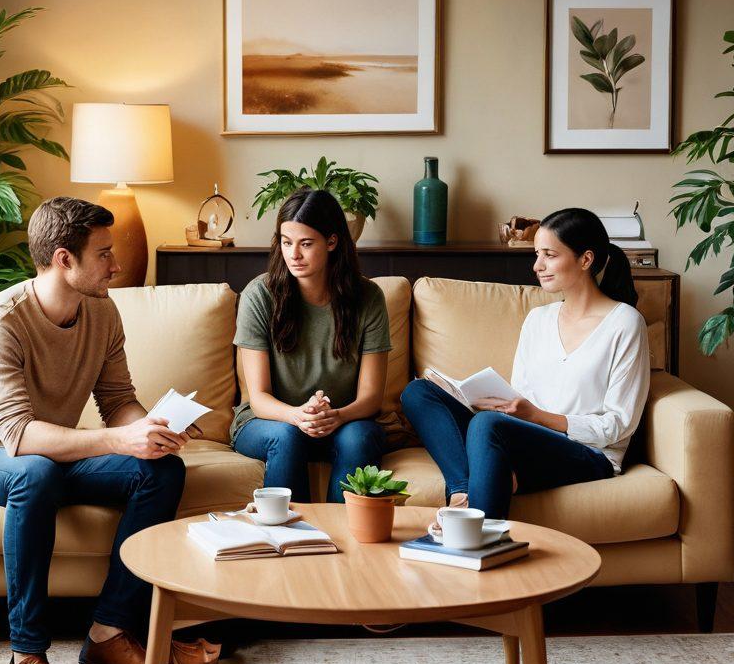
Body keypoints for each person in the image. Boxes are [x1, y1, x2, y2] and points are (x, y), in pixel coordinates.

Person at [0, 196, 219, 664]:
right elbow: (19, 435)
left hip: (55, 457)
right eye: (103, 254)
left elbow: (117, 401)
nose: (116, 265)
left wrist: (152, 429)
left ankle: (108, 634)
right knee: (35, 470)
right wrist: (120, 441)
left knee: (160, 468)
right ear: (63, 259)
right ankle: (26, 654)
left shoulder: (101, 309)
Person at [400, 207, 650, 518]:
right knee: (418, 393)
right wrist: (492, 403)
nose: (537, 266)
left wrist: (539, 417)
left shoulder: (624, 323)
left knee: (487, 425)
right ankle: (463, 494)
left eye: (549, 255)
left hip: (589, 453)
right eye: (536, 254)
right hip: (525, 437)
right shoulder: (538, 319)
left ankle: (477, 536)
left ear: (585, 260)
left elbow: (618, 424)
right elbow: (520, 396)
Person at [232, 188, 391, 503]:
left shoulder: (368, 298)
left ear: (332, 242)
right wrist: (297, 415)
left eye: (306, 244)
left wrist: (337, 416)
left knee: (361, 437)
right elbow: (259, 398)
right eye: (286, 243)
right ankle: (291, 538)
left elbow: (371, 398)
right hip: (270, 421)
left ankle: (344, 539)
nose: (294, 255)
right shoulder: (259, 295)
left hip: (342, 421)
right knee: (287, 436)